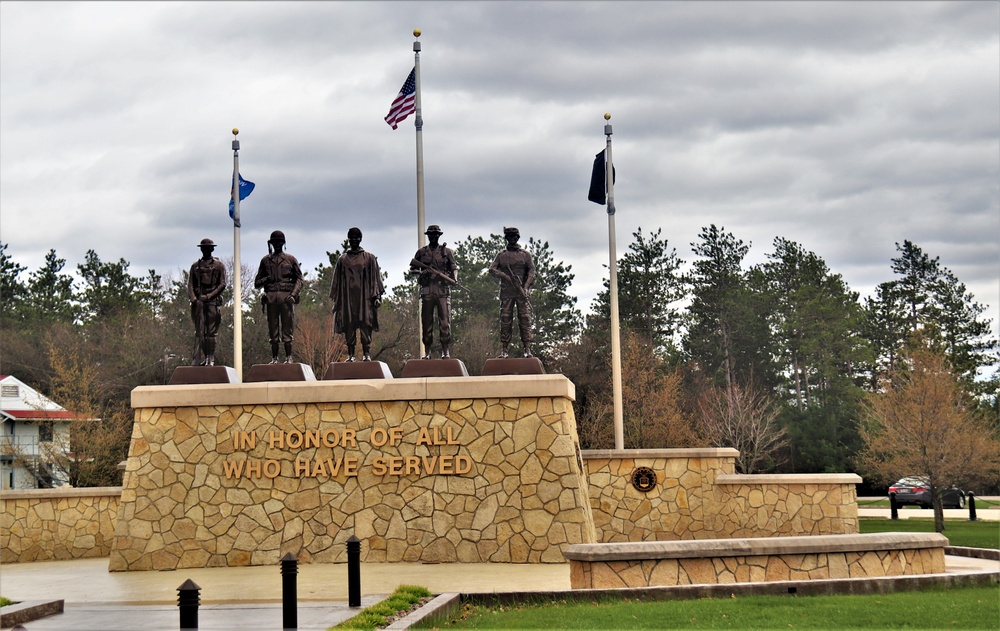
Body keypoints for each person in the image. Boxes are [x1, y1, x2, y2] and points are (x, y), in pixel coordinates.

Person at [330, 227, 384, 362]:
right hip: (348, 298)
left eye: (356, 238)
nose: (354, 240)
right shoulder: (342, 260)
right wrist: (337, 301)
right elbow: (336, 281)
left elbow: (375, 278)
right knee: (349, 325)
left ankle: (366, 353)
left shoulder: (369, 258)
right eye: (351, 238)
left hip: (364, 298)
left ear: (360, 239)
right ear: (348, 240)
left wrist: (377, 296)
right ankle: (351, 355)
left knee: (365, 324)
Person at [409, 225, 459, 359]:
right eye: (431, 234)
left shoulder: (446, 252)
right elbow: (413, 269)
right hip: (427, 290)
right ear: (428, 236)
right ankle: (428, 352)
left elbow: (454, 267)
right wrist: (422, 272)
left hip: (442, 290)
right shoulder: (421, 252)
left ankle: (445, 350)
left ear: (439, 236)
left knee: (445, 322)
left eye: (435, 234)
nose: (433, 236)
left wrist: (454, 278)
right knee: (427, 322)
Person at [254, 230, 304, 364]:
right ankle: (274, 358)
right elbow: (257, 283)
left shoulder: (290, 259)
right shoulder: (265, 261)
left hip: (286, 298)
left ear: (283, 243)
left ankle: (289, 357)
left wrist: (293, 295)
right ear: (271, 243)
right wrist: (266, 279)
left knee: (287, 329)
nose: (277, 245)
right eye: (275, 242)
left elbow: (299, 279)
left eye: (279, 242)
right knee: (273, 329)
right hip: (271, 298)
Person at [489, 226, 536, 358]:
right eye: (509, 237)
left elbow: (532, 272)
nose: (512, 239)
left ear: (518, 237)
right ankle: (504, 349)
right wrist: (505, 276)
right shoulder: (501, 255)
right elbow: (492, 269)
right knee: (505, 319)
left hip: (521, 291)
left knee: (525, 319)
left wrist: (526, 287)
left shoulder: (525, 255)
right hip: (507, 292)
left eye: (514, 236)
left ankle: (527, 348)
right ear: (506, 238)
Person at [187, 238, 227, 366]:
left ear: (212, 249)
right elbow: (190, 284)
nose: (205, 251)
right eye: (203, 248)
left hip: (212, 302)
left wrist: (209, 296)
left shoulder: (218, 265)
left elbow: (222, 284)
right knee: (200, 332)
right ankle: (204, 357)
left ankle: (211, 358)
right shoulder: (195, 266)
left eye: (208, 248)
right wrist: (194, 299)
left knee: (211, 332)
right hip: (198, 303)